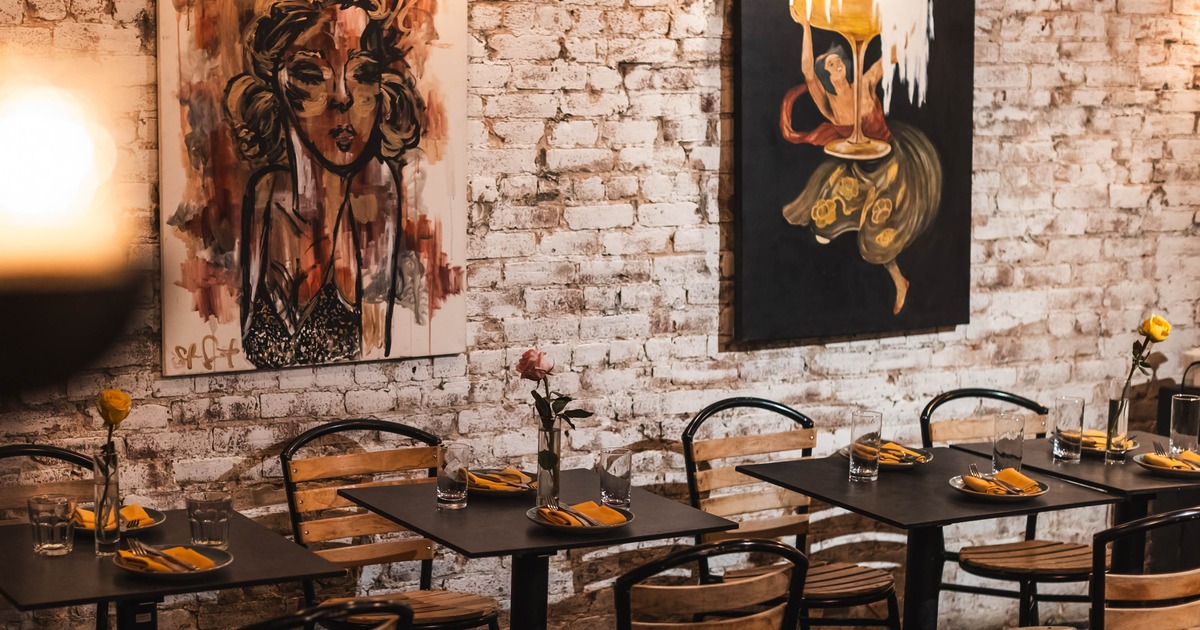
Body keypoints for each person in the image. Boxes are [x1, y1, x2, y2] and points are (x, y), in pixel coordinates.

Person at [225, 0, 428, 368]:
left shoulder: (375, 190)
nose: (342, 97)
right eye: (311, 74)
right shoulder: (265, 192)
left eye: (362, 74)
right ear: (277, 84)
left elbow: (373, 351)